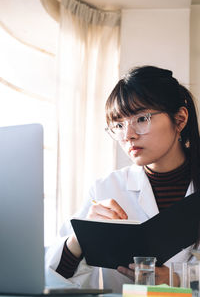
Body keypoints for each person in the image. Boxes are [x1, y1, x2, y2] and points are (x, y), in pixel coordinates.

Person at [46, 65, 200, 293]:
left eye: (141, 118)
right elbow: (55, 281)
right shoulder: (106, 189)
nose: (127, 135)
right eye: (118, 125)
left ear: (179, 119)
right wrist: (80, 238)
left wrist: (179, 279)